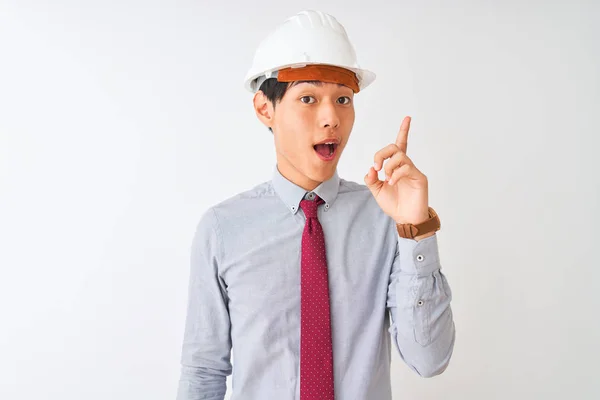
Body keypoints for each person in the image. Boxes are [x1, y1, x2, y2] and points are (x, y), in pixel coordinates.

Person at [176, 10, 455, 400]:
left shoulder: (385, 218)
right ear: (264, 108)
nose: (331, 118)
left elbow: (429, 360)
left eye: (343, 99)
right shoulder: (222, 229)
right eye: (308, 98)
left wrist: (415, 229)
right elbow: (204, 372)